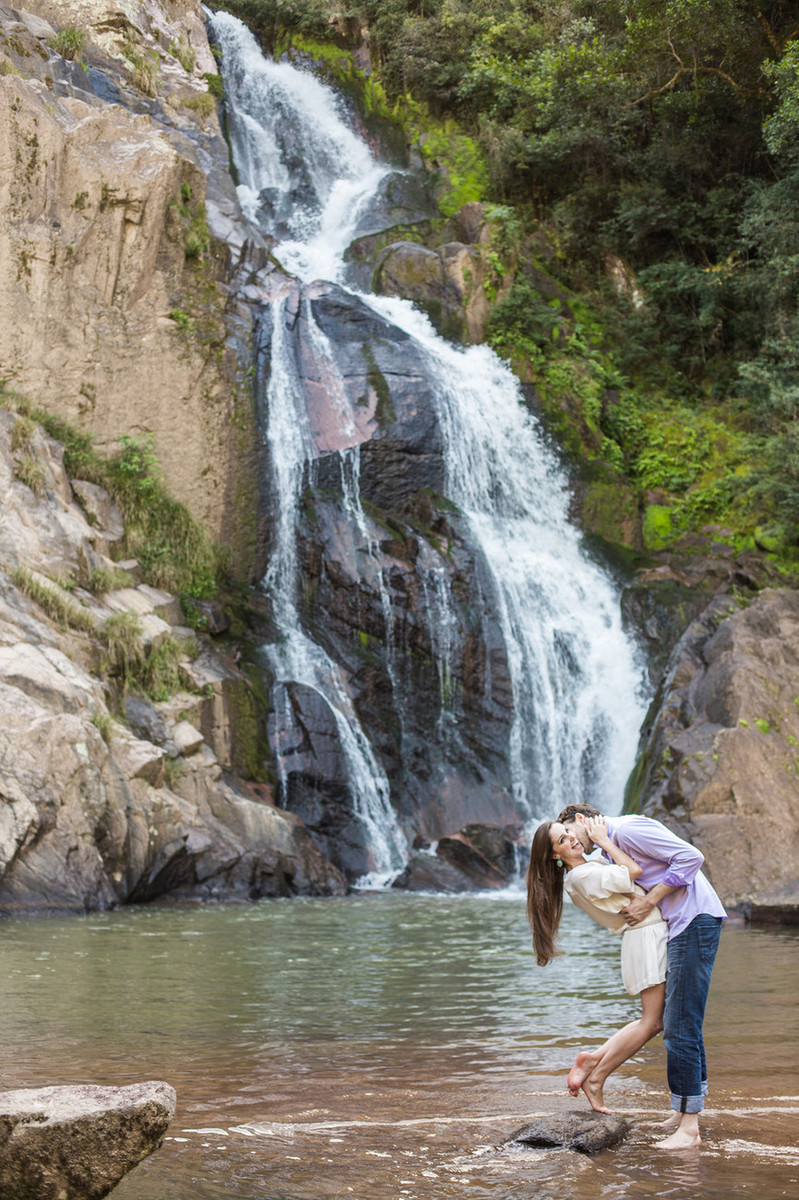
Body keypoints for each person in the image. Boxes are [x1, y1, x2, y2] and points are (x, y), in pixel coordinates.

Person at [558, 803, 726, 1149]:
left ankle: (689, 1129)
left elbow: (692, 857)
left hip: (693, 920)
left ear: (580, 820)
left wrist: (650, 901)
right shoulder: (607, 847)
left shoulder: (628, 829)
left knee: (679, 1024)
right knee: (683, 1021)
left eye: (569, 834)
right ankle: (683, 1110)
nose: (573, 843)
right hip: (680, 924)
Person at [526, 816, 667, 1115]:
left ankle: (592, 1062)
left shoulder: (583, 873)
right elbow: (633, 871)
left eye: (568, 832)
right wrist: (603, 839)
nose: (572, 838)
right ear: (554, 856)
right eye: (562, 840)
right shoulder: (582, 876)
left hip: (645, 934)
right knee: (652, 1021)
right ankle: (597, 1075)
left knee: (654, 1021)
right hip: (646, 934)